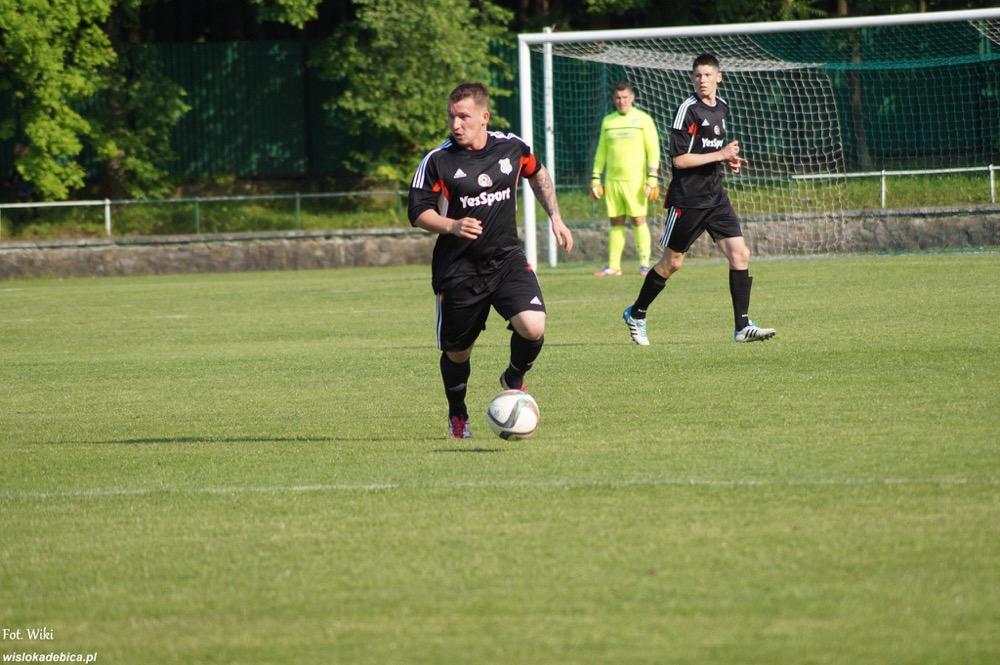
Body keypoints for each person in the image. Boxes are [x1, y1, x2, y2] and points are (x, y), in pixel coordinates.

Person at [408, 82, 574, 440]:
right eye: (451, 117)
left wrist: (556, 217)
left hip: (506, 260)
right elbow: (418, 212)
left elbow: (537, 172)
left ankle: (513, 376)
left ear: (484, 117)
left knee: (534, 326)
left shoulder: (511, 148)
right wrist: (452, 225)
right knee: (457, 353)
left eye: (464, 116)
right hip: (458, 271)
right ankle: (458, 413)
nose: (456, 124)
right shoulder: (438, 161)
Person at [622, 54, 775, 346]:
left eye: (707, 75)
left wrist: (728, 160)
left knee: (740, 254)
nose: (702, 80)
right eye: (697, 76)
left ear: (719, 77)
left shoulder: (722, 107)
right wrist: (721, 154)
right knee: (672, 263)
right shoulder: (687, 110)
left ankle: (742, 326)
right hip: (688, 200)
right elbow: (679, 160)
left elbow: (711, 149)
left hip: (715, 197)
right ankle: (636, 313)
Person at [589, 81, 660, 277]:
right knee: (615, 221)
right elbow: (601, 151)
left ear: (632, 97)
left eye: (625, 97)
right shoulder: (608, 121)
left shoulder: (643, 120)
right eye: (618, 98)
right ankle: (614, 266)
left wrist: (652, 176)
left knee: (638, 219)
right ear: (614, 99)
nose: (622, 101)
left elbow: (653, 150)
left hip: (636, 182)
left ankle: (644, 265)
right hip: (613, 181)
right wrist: (596, 176)